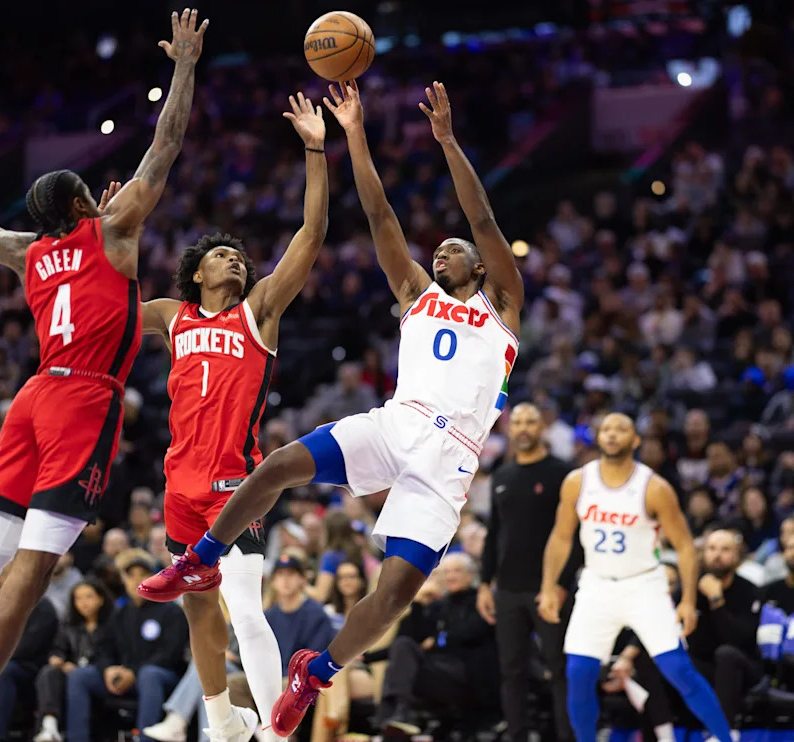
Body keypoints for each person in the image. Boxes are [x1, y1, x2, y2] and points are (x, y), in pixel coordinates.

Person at [0, 10, 208, 742]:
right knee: (29, 571)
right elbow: (168, 143)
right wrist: (182, 64)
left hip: (33, 394)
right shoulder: (114, 233)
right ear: (87, 205)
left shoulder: (28, 250)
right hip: (84, 400)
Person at [140, 79, 524, 737]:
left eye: (451, 249)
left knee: (396, 594)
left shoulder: (504, 305)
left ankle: (313, 673)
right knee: (280, 464)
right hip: (397, 419)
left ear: (481, 266)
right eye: (436, 250)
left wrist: (447, 142)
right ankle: (202, 555)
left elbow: (483, 219)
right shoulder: (415, 292)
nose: (440, 252)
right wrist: (353, 134)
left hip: (450, 460)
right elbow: (379, 217)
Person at [136, 86, 329, 741]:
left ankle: (276, 735)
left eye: (240, 256)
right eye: (223, 255)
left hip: (233, 482)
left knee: (245, 607)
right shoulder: (172, 315)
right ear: (196, 274)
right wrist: (105, 234)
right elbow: (106, 317)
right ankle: (221, 722)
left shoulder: (260, 311)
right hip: (178, 483)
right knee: (199, 611)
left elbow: (312, 233)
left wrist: (315, 151)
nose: (237, 260)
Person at [537, 413, 733, 742]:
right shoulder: (577, 482)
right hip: (597, 584)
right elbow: (560, 537)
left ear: (636, 440)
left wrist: (686, 600)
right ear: (599, 438)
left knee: (678, 669)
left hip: (644, 585)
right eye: (607, 429)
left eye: (622, 429)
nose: (613, 434)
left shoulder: (654, 487)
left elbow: (685, 546)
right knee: (578, 672)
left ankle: (727, 738)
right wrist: (547, 587)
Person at [477, 402, 577, 742]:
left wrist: (562, 584)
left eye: (529, 422)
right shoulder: (502, 476)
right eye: (516, 422)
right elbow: (494, 534)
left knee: (560, 668)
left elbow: (573, 535)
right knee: (512, 671)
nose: (522, 428)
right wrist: (483, 584)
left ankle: (568, 736)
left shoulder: (561, 472)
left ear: (542, 428)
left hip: (548, 588)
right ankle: (518, 735)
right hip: (507, 588)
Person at [66, 553, 189, 742]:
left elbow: (170, 655)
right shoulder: (120, 613)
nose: (136, 580)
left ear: (154, 576)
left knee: (149, 674)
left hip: (163, 679)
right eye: (130, 575)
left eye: (142, 573)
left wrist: (133, 672)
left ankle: (145, 739)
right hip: (125, 678)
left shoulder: (171, 611)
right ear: (124, 579)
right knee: (79, 676)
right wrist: (108, 669)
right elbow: (105, 650)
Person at [378, 552, 498, 734]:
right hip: (437, 671)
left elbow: (472, 631)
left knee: (403, 663)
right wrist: (417, 605)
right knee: (403, 646)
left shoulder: (480, 602)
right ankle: (398, 716)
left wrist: (438, 641)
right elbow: (410, 640)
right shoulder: (437, 606)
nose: (451, 576)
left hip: (467, 673)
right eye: (446, 572)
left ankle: (389, 718)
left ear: (471, 575)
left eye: (457, 571)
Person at [688, 529, 763, 730]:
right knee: (665, 660)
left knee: (726, 654)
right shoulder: (691, 590)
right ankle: (663, 732)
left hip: (742, 667)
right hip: (705, 666)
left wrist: (716, 600)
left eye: (725, 549)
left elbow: (739, 640)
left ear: (737, 556)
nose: (717, 555)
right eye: (711, 549)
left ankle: (724, 732)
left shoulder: (750, 591)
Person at [33, 578, 114, 742]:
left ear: (101, 598)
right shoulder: (69, 624)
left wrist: (79, 668)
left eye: (88, 597)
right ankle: (49, 725)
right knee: (48, 673)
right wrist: (58, 659)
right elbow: (59, 648)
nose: (83, 603)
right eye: (78, 598)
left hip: (100, 675)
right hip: (71, 673)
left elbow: (111, 656)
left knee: (79, 677)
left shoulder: (113, 623)